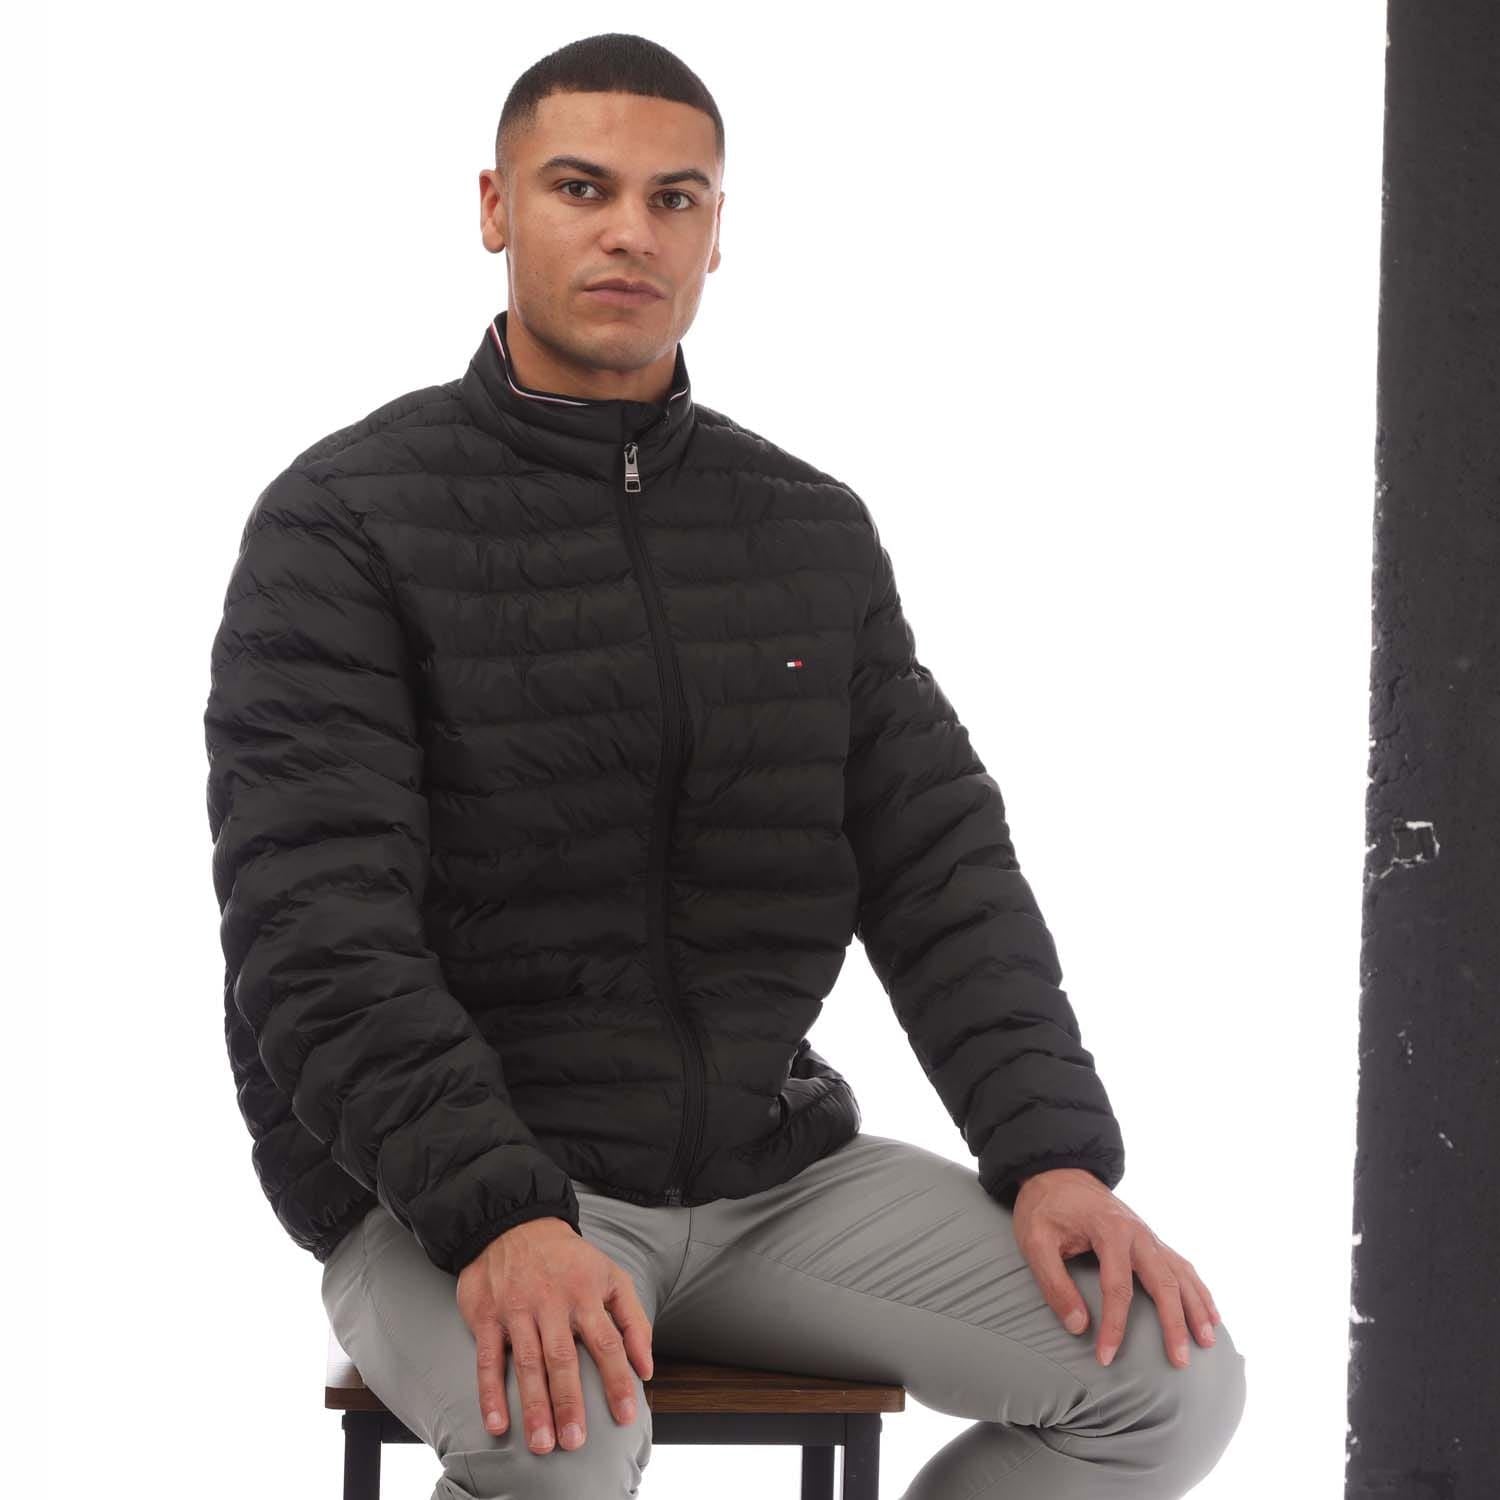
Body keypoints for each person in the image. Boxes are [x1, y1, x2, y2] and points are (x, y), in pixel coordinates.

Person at [203, 31, 1246, 1499]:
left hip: (765, 1180)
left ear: (715, 234)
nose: (631, 231)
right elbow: (315, 928)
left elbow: (940, 866)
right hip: (448, 1193)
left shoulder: (806, 532)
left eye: (675, 198)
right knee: (562, 1436)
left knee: (1169, 1381)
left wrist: (1052, 1154)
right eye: (581, 187)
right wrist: (498, 1215)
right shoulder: (344, 524)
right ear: (497, 207)